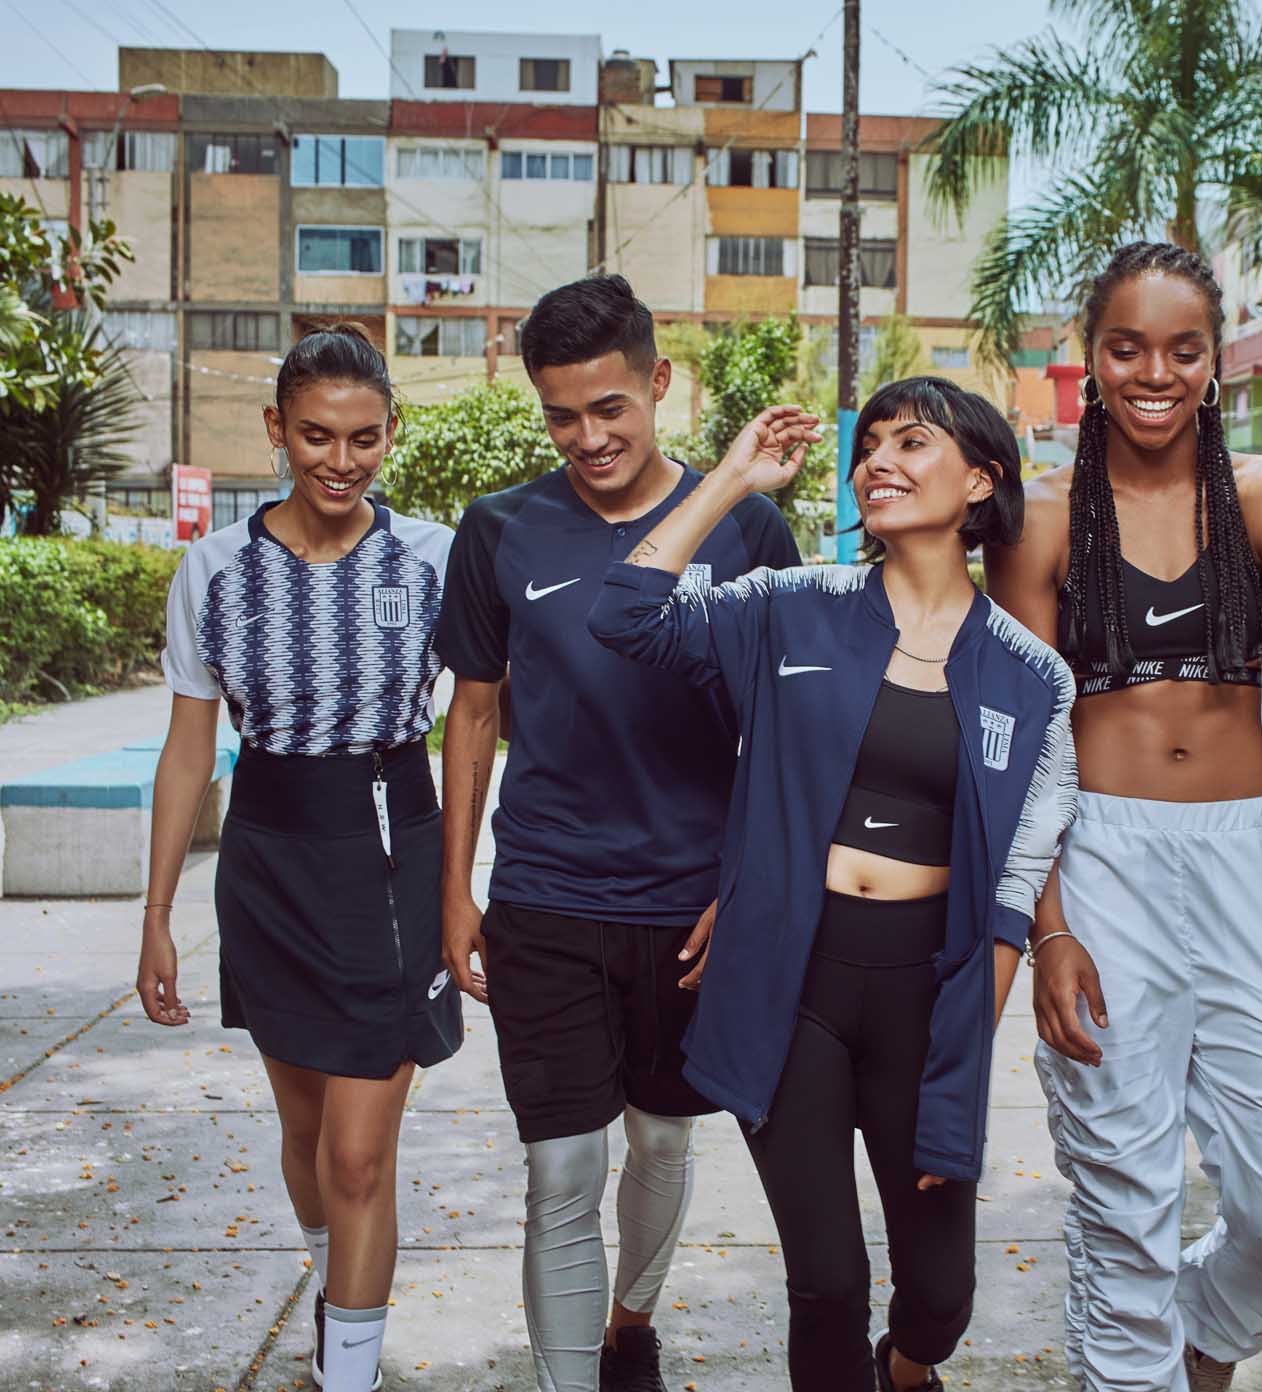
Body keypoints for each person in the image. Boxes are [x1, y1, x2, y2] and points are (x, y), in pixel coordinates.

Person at [586, 377, 1078, 1392]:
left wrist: (960, 1064)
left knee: (940, 1298)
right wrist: (730, 479)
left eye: (913, 442)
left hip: (926, 996)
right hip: (790, 984)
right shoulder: (790, 605)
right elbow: (626, 616)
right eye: (870, 447)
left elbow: (1014, 890)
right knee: (827, 1283)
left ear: (980, 480)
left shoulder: (1034, 677)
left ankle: (906, 1369)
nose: (879, 463)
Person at [986, 241, 1262, 1392]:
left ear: (1215, 359)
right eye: (1127, 348)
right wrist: (1047, 927)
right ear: (1090, 357)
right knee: (1123, 1203)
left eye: (1183, 350)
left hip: (1247, 857)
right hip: (1100, 857)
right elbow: (1025, 747)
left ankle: (1200, 1327)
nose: (1155, 374)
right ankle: (1131, 1363)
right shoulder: (1038, 521)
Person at [433, 275, 801, 1392]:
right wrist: (457, 888)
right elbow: (474, 713)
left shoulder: (748, 526)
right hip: (545, 896)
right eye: (561, 415)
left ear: (659, 383)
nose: (588, 437)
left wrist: (748, 884)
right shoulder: (499, 528)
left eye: (610, 408)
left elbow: (786, 725)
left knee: (662, 1139)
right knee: (559, 1170)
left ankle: (630, 1323)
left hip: (690, 904)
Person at [137, 323, 461, 1392]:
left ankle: (347, 1373)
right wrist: (156, 918)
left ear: (392, 433)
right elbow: (190, 753)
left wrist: (463, 885)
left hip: (390, 849)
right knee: (307, 1127)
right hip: (268, 858)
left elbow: (481, 719)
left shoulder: (433, 557)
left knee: (359, 1153)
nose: (341, 460)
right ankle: (339, 1299)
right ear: (276, 429)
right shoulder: (214, 568)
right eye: (318, 435)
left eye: (365, 438)